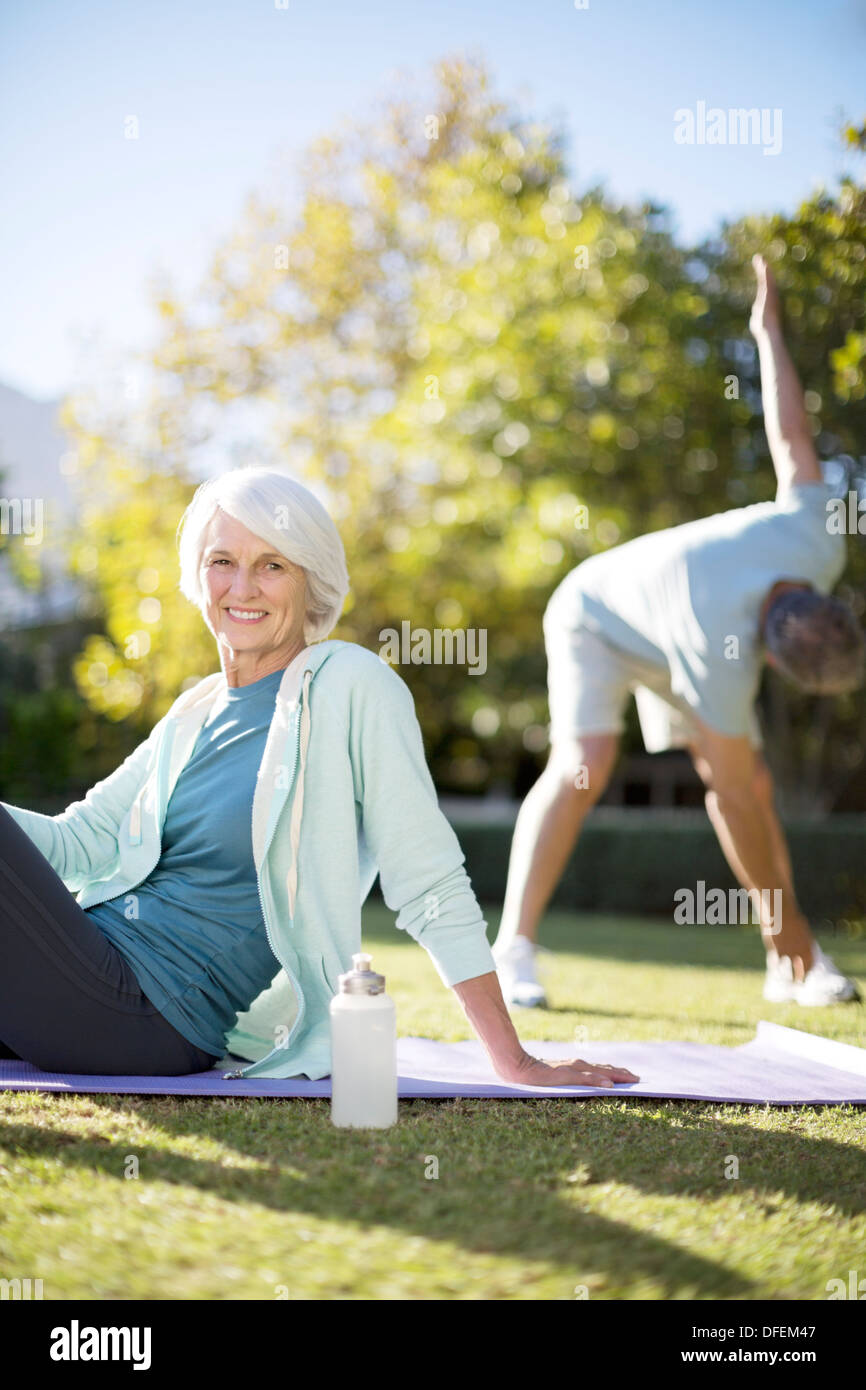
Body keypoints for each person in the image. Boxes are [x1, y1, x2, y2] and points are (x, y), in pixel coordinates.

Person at [0, 466, 637, 1089]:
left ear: (313, 583)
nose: (242, 587)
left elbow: (427, 875)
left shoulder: (348, 686)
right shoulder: (194, 711)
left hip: (142, 1007)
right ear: (198, 577)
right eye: (223, 560)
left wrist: (514, 1059)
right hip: (72, 965)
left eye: (272, 565)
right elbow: (77, 844)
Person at [493, 255, 864, 1010]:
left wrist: (768, 333)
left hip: (668, 615)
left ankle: (789, 958)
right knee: (586, 763)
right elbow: (725, 795)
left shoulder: (816, 537)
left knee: (752, 777)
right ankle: (513, 950)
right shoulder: (716, 645)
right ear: (765, 652)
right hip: (595, 613)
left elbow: (791, 434)